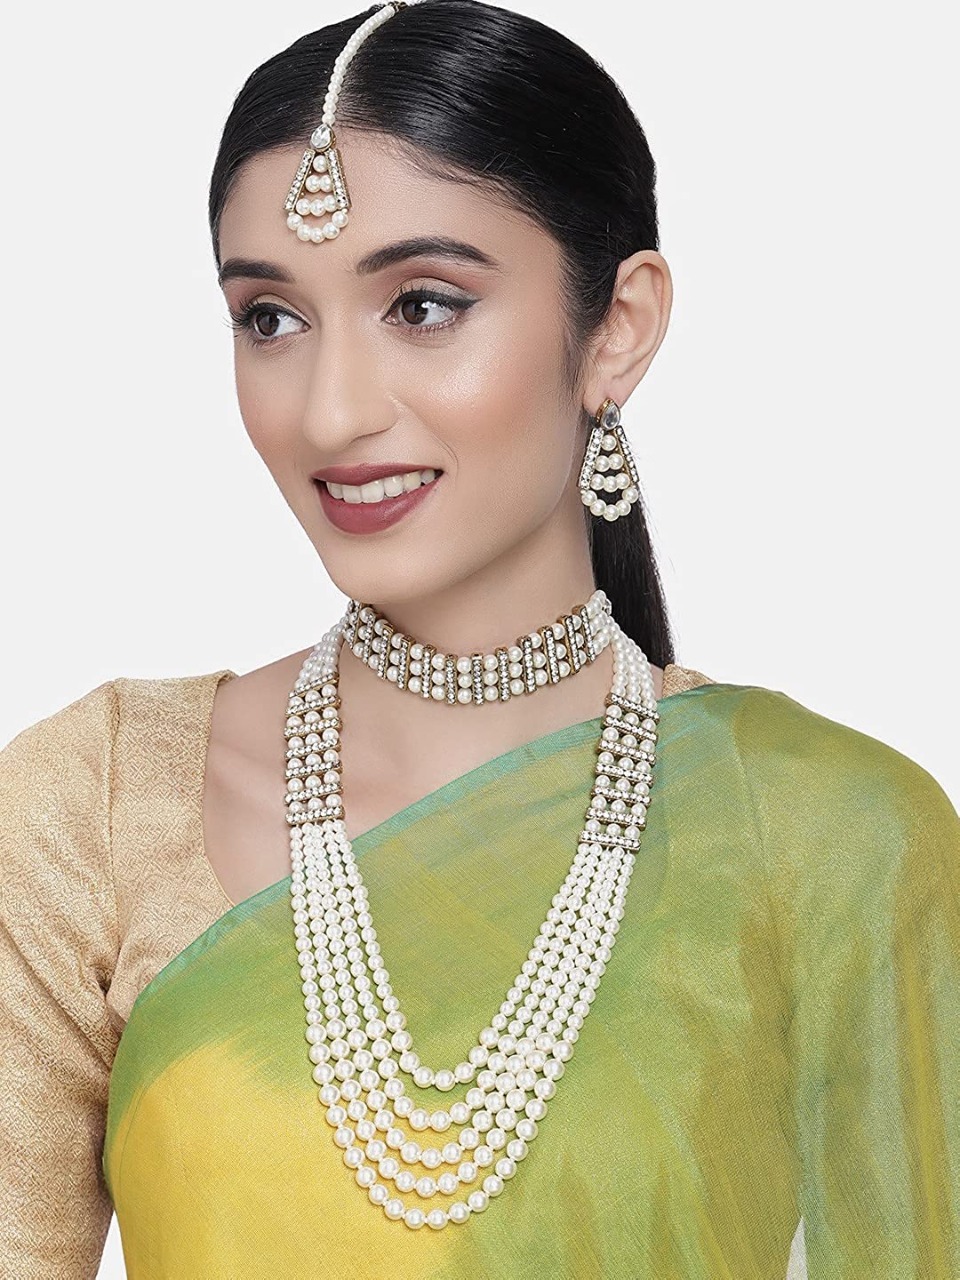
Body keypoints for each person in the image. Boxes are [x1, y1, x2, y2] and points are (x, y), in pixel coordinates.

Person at [1, 1, 957, 1275]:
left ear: (618, 327)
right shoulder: (99, 806)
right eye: (270, 318)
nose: (331, 412)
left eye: (423, 304)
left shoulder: (828, 832)